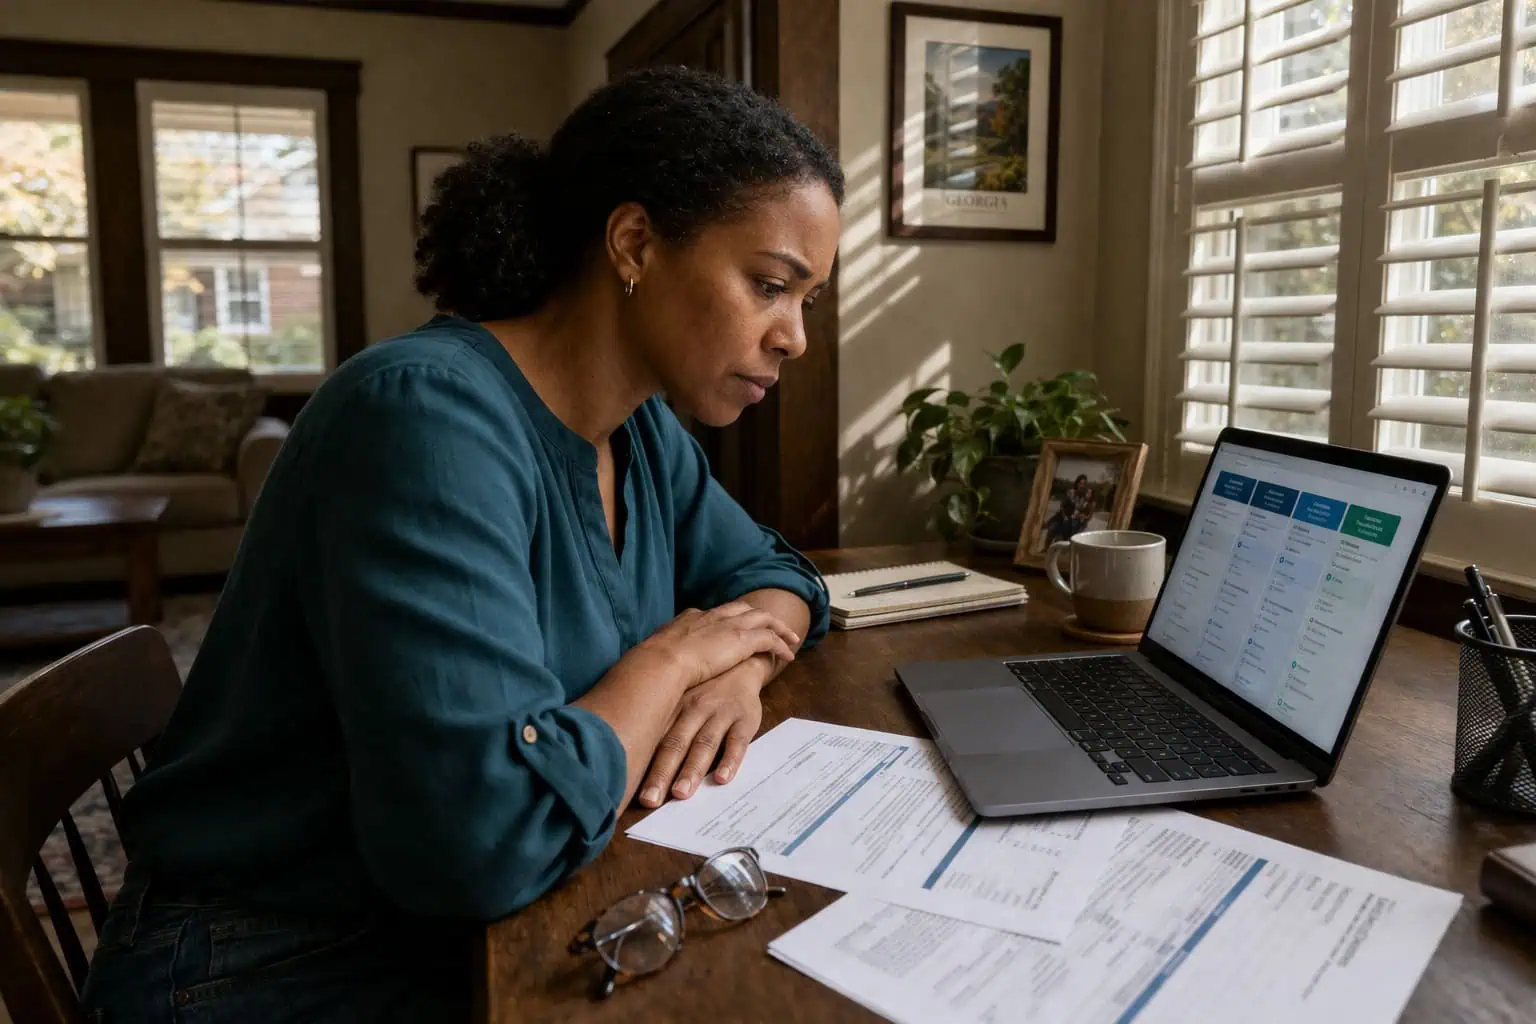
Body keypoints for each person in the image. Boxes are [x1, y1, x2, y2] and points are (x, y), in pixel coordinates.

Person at [80, 66, 843, 1022]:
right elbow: (485, 843)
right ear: (635, 242)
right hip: (272, 958)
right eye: (771, 285)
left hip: (463, 917)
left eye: (807, 298)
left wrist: (735, 673)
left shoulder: (642, 430)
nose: (795, 339)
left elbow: (779, 577)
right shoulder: (422, 420)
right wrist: (676, 656)